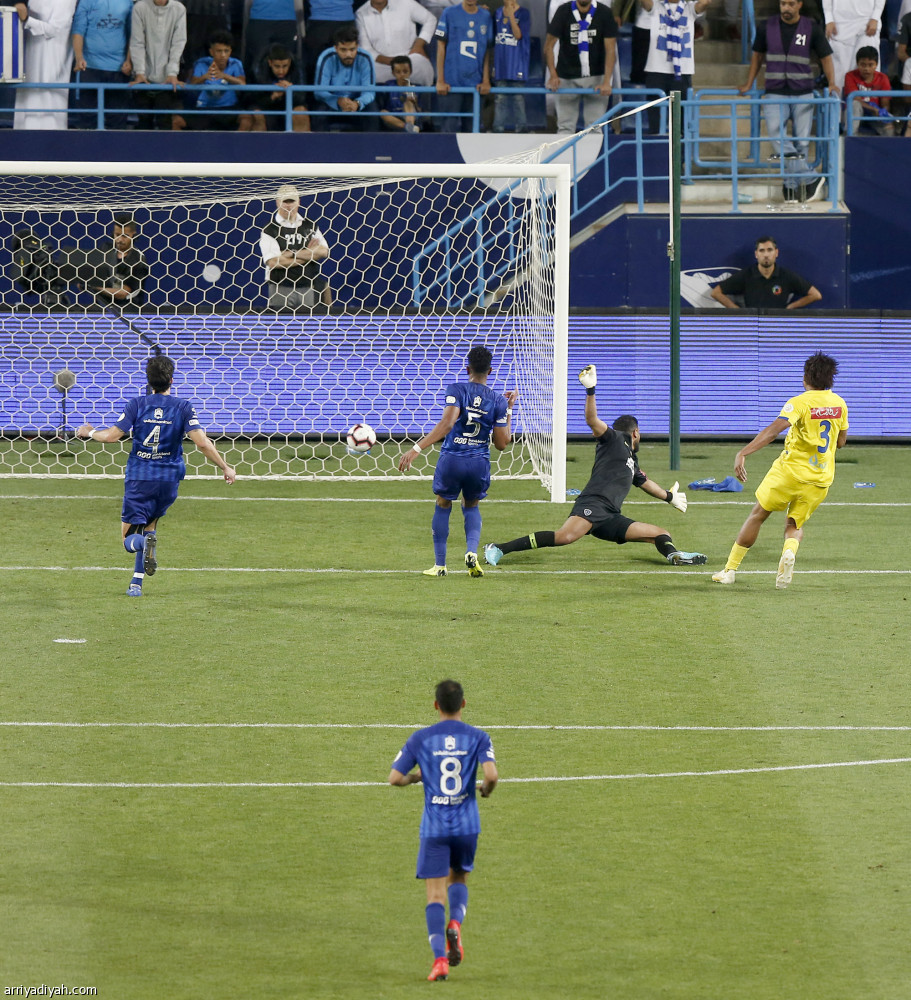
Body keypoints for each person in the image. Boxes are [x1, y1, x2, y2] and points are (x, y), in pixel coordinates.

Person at [484, 364, 706, 568]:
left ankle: (674, 555)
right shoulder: (615, 438)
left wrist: (669, 496)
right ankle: (498, 548)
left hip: (610, 515)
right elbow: (592, 420)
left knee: (659, 533)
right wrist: (591, 391)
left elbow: (645, 482)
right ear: (635, 433)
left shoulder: (631, 461)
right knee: (565, 536)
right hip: (593, 504)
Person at [75, 355, 236, 597]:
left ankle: (142, 546)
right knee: (149, 525)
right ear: (171, 380)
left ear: (149, 382)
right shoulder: (183, 407)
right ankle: (136, 584)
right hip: (169, 478)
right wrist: (225, 466)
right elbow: (202, 443)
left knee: (130, 539)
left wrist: (89, 432)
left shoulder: (137, 404)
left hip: (141, 476)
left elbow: (111, 436)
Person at [388, 678, 498, 983]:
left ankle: (439, 961)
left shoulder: (421, 738)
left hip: (434, 828)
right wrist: (486, 791)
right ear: (463, 704)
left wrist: (417, 778)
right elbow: (491, 774)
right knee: (459, 877)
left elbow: (394, 778)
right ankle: (456, 924)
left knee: (434, 895)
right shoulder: (478, 736)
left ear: (436, 705)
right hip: (467, 826)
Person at [712, 351, 848, 589]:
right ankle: (789, 552)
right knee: (794, 525)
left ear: (806, 376)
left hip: (789, 473)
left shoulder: (799, 402)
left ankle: (730, 570)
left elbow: (773, 431)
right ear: (831, 378)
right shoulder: (839, 404)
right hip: (820, 479)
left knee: (758, 515)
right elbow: (840, 442)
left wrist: (743, 453)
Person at [398, 346, 516, 577]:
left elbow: (447, 423)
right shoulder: (498, 401)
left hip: (452, 459)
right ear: (490, 370)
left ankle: (440, 566)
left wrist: (416, 448)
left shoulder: (456, 390)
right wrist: (509, 411)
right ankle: (471, 552)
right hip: (478, 463)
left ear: (467, 369)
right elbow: (502, 444)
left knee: (443, 503)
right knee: (471, 505)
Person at [739, 0, 838, 203]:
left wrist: (833, 82)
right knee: (777, 136)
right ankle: (810, 177)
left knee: (801, 143)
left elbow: (826, 57)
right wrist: (749, 83)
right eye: (783, 3)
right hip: (775, 91)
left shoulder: (811, 27)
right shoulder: (767, 26)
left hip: (803, 92)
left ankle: (791, 187)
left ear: (799, 5)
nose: (786, 7)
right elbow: (757, 56)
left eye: (791, 4)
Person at [544, 0, 618, 134]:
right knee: (565, 128)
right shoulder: (563, 11)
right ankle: (564, 156)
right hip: (566, 76)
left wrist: (607, 81)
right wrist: (553, 75)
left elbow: (611, 50)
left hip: (596, 77)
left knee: (595, 128)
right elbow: (549, 45)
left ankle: (593, 156)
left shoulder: (604, 13)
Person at [640, 0, 713, 133]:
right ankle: (655, 150)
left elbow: (705, 2)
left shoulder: (689, 8)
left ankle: (681, 152)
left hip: (681, 72)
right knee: (655, 121)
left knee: (681, 123)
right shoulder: (657, 5)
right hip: (656, 70)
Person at [259, 184, 332, 310]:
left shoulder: (309, 226)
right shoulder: (270, 230)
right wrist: (309, 255)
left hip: (307, 286)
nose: (288, 205)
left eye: (291, 201)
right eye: (285, 201)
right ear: (277, 202)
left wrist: (292, 254)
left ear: (298, 202)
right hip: (281, 287)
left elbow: (323, 251)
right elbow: (274, 262)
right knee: (280, 327)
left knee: (307, 326)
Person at [13, 0, 78, 130]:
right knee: (26, 106)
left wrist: (27, 19)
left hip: (53, 63)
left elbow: (55, 30)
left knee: (49, 109)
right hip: (28, 62)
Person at [70, 0, 134, 129]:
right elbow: (78, 30)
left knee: (117, 122)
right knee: (87, 121)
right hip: (89, 68)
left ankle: (115, 149)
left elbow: (133, 34)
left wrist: (129, 60)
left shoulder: (128, 3)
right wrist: (79, 57)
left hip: (118, 70)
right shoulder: (86, 2)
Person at [711, 236, 823, 309]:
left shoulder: (786, 276)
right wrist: (738, 311)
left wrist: (791, 307)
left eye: (770, 250)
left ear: (776, 253)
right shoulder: (746, 275)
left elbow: (816, 295)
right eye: (762, 250)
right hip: (753, 326)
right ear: (756, 254)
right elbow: (716, 293)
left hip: (777, 326)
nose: (766, 255)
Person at [434, 0, 493, 132]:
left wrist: (485, 80)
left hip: (476, 85)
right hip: (452, 84)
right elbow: (441, 46)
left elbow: (487, 51)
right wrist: (440, 80)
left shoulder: (485, 16)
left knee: (472, 131)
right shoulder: (449, 13)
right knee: (448, 130)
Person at [129, 0, 188, 131]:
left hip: (167, 80)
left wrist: (172, 73)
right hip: (144, 79)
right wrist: (139, 72)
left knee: (165, 122)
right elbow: (137, 42)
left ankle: (166, 151)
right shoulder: (139, 8)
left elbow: (178, 44)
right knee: (143, 122)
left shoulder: (179, 9)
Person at [355, 0, 437, 88]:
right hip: (381, 64)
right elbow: (366, 47)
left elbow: (430, 19)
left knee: (422, 66)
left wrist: (418, 45)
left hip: (410, 58)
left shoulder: (406, 3)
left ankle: (417, 99)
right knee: (368, 72)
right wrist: (391, 62)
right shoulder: (361, 13)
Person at [313, 25, 378, 131]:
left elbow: (369, 91)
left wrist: (357, 103)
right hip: (332, 101)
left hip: (357, 102)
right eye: (343, 50)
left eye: (352, 49)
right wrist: (337, 101)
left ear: (357, 46)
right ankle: (320, 146)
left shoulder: (366, 58)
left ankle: (371, 147)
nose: (348, 54)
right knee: (319, 113)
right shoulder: (326, 57)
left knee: (372, 112)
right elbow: (319, 91)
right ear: (336, 48)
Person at [822, 0, 885, 105]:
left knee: (868, 71)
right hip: (840, 24)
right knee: (839, 76)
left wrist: (875, 17)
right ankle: (836, 119)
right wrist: (828, 18)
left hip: (867, 22)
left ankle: (868, 117)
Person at [187, 29, 251, 130]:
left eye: (226, 51)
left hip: (229, 108)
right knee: (178, 120)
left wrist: (223, 75)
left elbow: (242, 83)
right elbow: (192, 84)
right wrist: (204, 77)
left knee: (247, 119)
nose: (223, 55)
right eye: (219, 51)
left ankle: (237, 145)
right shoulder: (201, 64)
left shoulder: (236, 64)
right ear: (211, 52)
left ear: (230, 51)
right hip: (205, 108)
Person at [86, 214, 150, 309]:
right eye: (117, 235)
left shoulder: (138, 260)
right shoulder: (105, 250)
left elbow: (123, 294)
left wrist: (94, 287)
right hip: (101, 308)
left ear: (134, 235)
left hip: (128, 312)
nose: (120, 240)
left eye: (125, 236)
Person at [248, 43, 310, 131]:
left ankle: (300, 144)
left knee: (301, 112)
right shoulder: (258, 71)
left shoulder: (297, 68)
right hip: (266, 106)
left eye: (285, 66)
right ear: (270, 63)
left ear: (290, 62)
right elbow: (252, 99)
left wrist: (290, 91)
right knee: (257, 115)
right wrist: (273, 97)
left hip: (290, 105)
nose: (281, 71)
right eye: (277, 66)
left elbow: (302, 97)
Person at [492, 0, 531, 132]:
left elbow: (518, 35)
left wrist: (511, 17)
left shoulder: (524, 13)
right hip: (501, 64)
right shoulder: (497, 12)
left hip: (517, 64)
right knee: (500, 99)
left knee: (518, 99)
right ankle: (498, 128)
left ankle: (521, 128)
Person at [243, 0, 298, 84]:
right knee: (258, 62)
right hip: (259, 18)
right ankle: (263, 96)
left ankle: (285, 94)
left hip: (286, 19)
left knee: (287, 61)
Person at [842, 44, 892, 133]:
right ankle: (850, 139)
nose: (866, 69)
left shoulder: (883, 78)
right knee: (855, 104)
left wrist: (883, 112)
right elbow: (855, 99)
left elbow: (885, 103)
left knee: (889, 127)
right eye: (863, 65)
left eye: (870, 65)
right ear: (857, 64)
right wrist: (872, 108)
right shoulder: (850, 76)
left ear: (876, 64)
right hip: (857, 112)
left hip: (875, 114)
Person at [379, 54, 422, 131]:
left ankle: (410, 124)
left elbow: (420, 111)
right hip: (393, 118)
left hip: (411, 117)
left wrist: (414, 102)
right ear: (393, 73)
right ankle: (408, 128)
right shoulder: (388, 85)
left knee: (408, 103)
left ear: (410, 72)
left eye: (405, 71)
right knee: (383, 112)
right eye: (398, 72)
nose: (402, 74)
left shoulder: (417, 87)